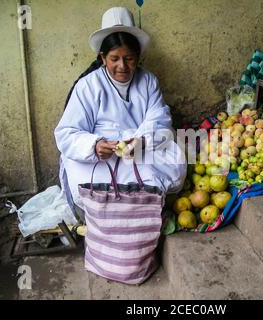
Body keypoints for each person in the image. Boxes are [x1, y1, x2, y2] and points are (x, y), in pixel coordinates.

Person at [54, 7, 186, 281]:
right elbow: (66, 133)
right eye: (114, 58)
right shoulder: (87, 86)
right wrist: (95, 145)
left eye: (129, 58)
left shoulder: (148, 80)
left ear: (138, 57)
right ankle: (118, 225)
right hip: (100, 157)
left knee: (174, 158)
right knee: (87, 176)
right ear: (102, 58)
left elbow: (160, 118)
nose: (122, 66)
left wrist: (141, 140)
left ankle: (138, 222)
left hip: (139, 148)